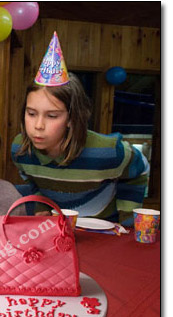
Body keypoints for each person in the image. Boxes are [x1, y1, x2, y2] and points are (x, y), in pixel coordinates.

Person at [11, 32, 149, 224]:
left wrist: (127, 217)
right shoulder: (20, 150)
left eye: (52, 115)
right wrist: (43, 205)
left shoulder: (108, 152)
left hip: (105, 232)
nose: (38, 126)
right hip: (61, 231)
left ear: (71, 118)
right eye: (31, 113)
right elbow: (33, 181)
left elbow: (140, 169)